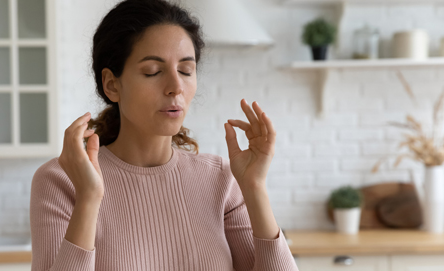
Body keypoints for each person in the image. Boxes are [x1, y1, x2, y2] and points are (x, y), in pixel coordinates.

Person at [29, 0, 299, 270]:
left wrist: (254, 188)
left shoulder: (221, 180)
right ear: (112, 85)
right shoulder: (62, 181)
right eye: (153, 71)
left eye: (185, 70)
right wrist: (88, 197)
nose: (175, 87)